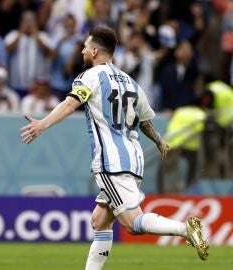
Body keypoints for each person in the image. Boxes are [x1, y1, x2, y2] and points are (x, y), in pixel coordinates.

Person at [20, 27, 209, 269]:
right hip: (133, 159)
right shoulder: (130, 81)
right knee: (100, 221)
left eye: (86, 47)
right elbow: (145, 120)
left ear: (95, 50)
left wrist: (42, 124)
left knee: (133, 223)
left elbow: (70, 103)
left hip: (111, 162)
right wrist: (159, 140)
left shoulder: (90, 76)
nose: (82, 50)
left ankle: (185, 228)